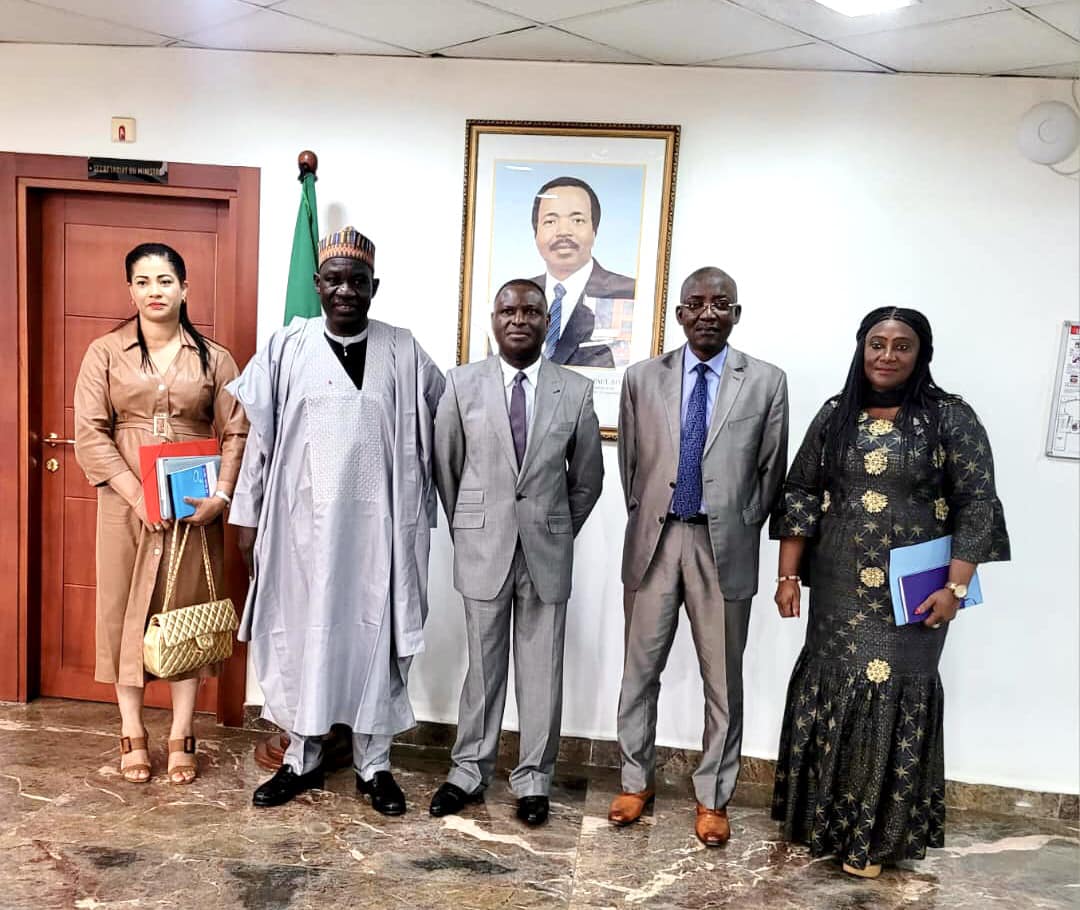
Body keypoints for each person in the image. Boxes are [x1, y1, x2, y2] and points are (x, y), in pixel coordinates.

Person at [770, 307, 1009, 878]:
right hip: (837, 586)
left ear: (921, 354)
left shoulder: (949, 418)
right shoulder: (836, 414)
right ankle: (820, 824)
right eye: (877, 343)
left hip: (913, 595)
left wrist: (956, 587)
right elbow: (801, 492)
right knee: (830, 685)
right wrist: (787, 576)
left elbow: (977, 504)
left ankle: (872, 841)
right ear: (862, 348)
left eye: (902, 346)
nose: (887, 355)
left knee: (892, 692)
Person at [228, 226, 445, 811]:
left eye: (358, 281)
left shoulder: (404, 350)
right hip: (302, 532)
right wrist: (247, 515)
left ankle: (375, 766)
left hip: (382, 535)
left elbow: (446, 424)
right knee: (305, 637)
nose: (346, 290)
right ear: (317, 284)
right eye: (334, 280)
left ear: (375, 286)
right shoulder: (286, 348)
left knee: (376, 638)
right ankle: (301, 758)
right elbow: (257, 440)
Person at [609, 266, 788, 846]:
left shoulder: (766, 382)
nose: (708, 313)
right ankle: (635, 781)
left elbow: (771, 471)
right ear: (680, 313)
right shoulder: (642, 378)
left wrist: (739, 520)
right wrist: (652, 515)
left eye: (721, 303)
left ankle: (713, 797)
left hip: (723, 545)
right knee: (639, 672)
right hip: (655, 542)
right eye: (696, 303)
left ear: (737, 313)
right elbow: (631, 465)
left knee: (723, 682)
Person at [429, 279, 604, 826]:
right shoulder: (461, 384)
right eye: (508, 310)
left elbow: (588, 479)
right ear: (494, 320)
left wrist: (555, 528)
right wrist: (472, 529)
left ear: (547, 321)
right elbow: (447, 468)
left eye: (531, 310)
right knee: (483, 669)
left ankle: (533, 780)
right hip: (483, 549)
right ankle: (468, 771)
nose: (519, 319)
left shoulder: (574, 391)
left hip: (546, 552)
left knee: (541, 671)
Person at [74, 242, 248, 785]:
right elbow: (90, 433)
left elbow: (238, 430)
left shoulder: (215, 358)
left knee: (185, 613)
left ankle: (182, 733)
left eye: (165, 280)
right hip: (124, 504)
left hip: (192, 506)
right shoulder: (104, 352)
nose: (155, 290)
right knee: (122, 611)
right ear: (130, 290)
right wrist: (135, 494)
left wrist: (221, 495)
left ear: (185, 288)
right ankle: (132, 732)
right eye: (144, 281)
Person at [529, 176, 635, 369]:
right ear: (536, 233)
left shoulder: (631, 294)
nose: (563, 232)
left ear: (594, 231)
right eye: (550, 221)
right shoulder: (515, 297)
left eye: (577, 220)